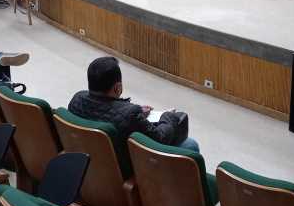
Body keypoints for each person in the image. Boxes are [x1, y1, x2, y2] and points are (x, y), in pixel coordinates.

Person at [68, 56, 200, 152]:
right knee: (190, 144)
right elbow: (159, 138)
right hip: (123, 169)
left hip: (90, 158)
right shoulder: (130, 115)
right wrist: (167, 116)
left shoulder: (77, 99)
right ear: (117, 87)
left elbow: (108, 110)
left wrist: (135, 109)